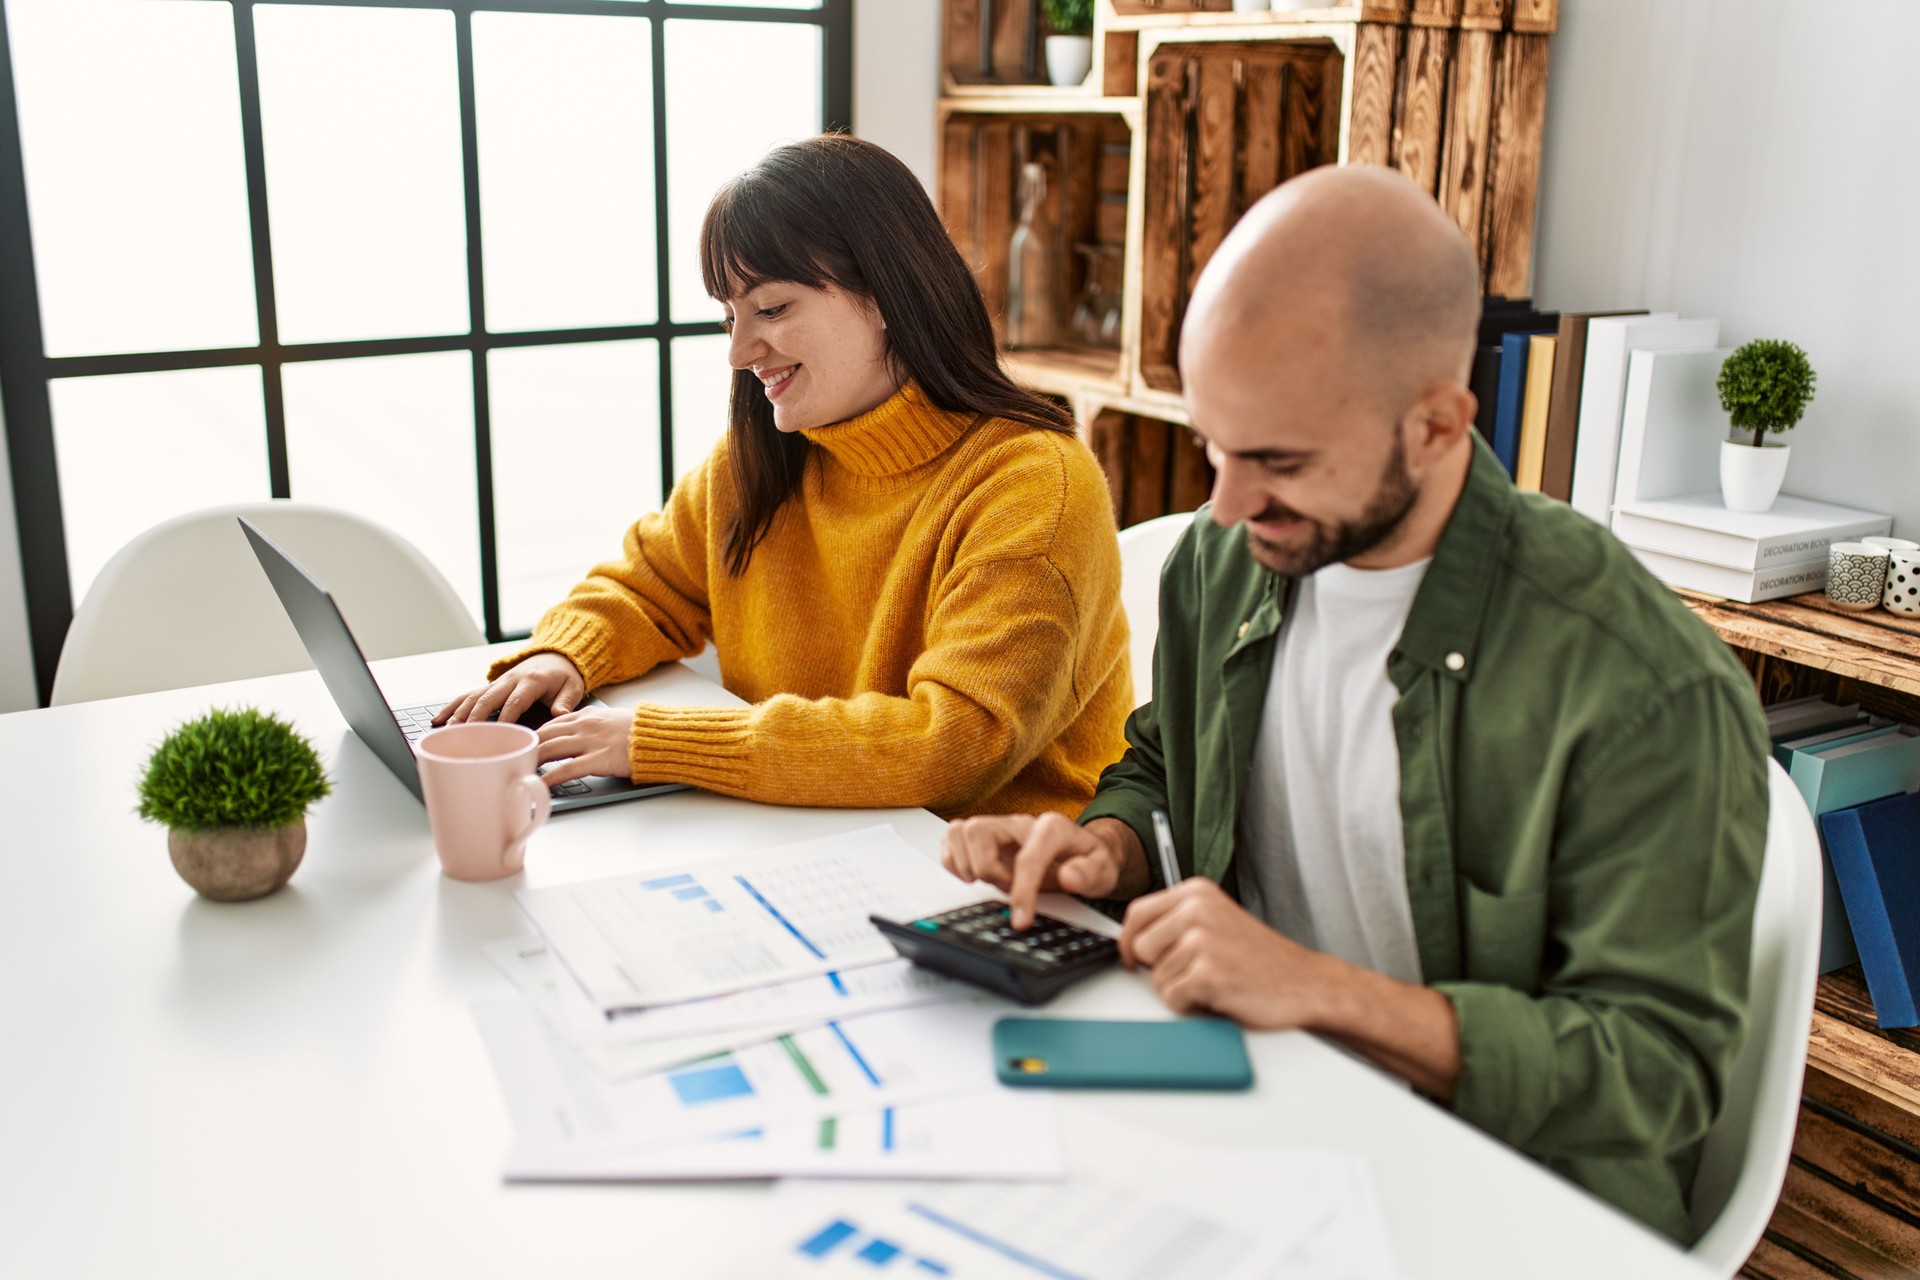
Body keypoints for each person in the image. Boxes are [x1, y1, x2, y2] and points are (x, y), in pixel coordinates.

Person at [941, 165, 1769, 1242]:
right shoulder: (1223, 560)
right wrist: (1104, 847)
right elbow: (1161, 762)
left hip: (1509, 1198)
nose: (1229, 503)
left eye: (1279, 460)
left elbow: (1657, 1072)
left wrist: (1316, 988)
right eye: (1213, 448)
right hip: (1259, 1111)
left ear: (1436, 424)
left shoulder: (1642, 683)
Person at [439, 135, 1131, 818]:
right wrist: (562, 658)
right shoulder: (763, 461)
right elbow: (645, 586)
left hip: (1005, 884)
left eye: (771, 309)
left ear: (887, 293)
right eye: (730, 317)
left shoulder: (1033, 487)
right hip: (813, 839)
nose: (740, 351)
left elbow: (950, 745)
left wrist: (655, 741)